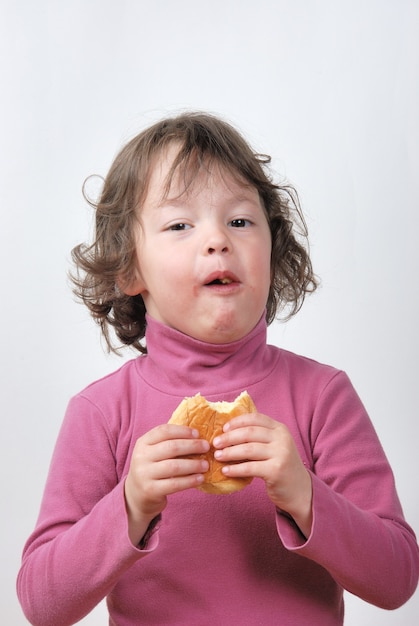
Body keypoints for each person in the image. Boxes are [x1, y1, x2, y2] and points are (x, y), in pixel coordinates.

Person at [17, 112, 418, 626]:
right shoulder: (100, 412)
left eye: (240, 221)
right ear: (130, 267)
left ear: (272, 250)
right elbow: (41, 604)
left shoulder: (322, 395)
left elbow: (398, 580)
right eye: (180, 224)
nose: (217, 240)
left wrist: (304, 494)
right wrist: (131, 503)